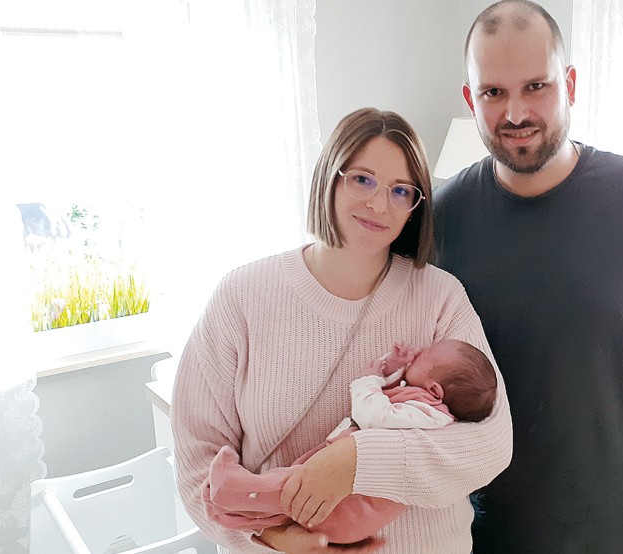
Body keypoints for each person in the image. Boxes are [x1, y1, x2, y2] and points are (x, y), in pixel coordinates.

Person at [432, 2, 623, 553]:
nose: (516, 112)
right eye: (493, 92)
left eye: (536, 86)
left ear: (569, 83)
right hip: (486, 535)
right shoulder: (441, 217)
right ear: (470, 99)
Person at [171, 107, 513, 554]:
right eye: (362, 179)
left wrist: (357, 460)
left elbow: (490, 445)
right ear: (329, 176)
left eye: (400, 191)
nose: (378, 204)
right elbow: (199, 464)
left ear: (415, 206)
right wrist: (276, 539)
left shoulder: (440, 296)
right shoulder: (243, 296)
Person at [200, 339, 498, 546]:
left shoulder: (428, 414)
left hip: (352, 507)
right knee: (287, 496)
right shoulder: (425, 406)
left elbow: (373, 414)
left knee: (289, 488)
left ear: (435, 389)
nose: (418, 351)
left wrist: (367, 380)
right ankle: (238, 516)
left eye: (424, 356)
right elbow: (395, 398)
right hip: (343, 500)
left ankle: (233, 490)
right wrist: (395, 366)